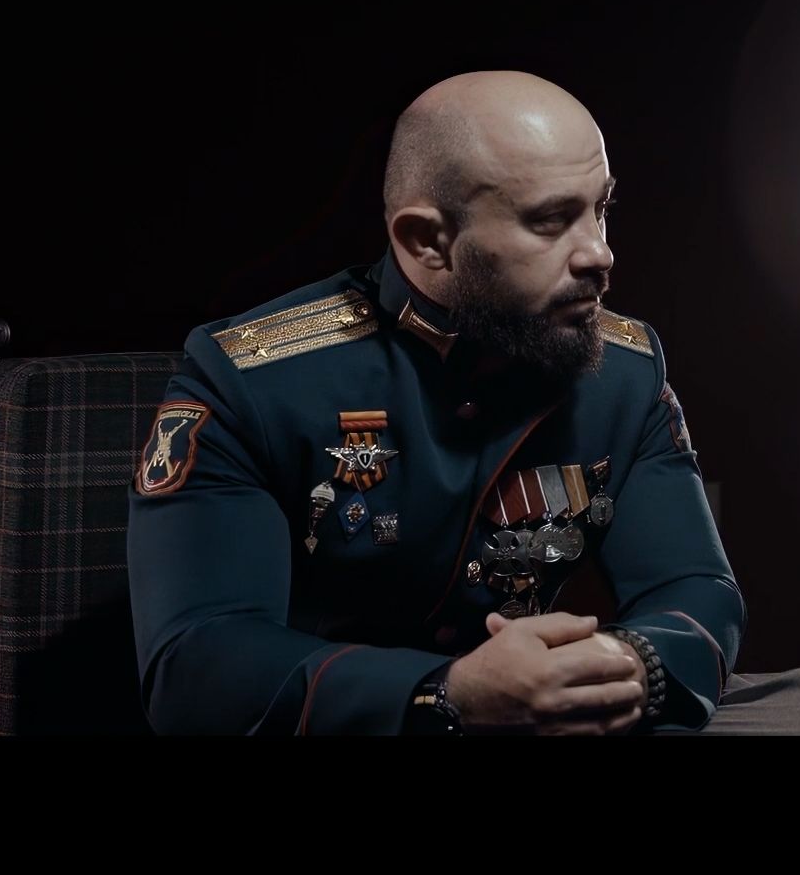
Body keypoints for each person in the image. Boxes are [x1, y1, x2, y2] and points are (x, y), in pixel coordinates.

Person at [129, 70, 743, 735]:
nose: (601, 253)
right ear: (427, 241)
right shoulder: (252, 381)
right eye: (549, 220)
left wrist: (630, 666)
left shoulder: (625, 372)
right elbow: (196, 667)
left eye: (600, 208)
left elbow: (697, 592)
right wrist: (443, 696)